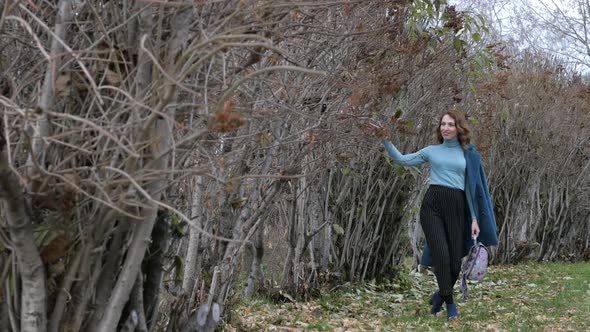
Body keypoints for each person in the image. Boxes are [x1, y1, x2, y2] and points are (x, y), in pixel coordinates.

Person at [381, 110, 498, 320]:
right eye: (443, 124)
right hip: (432, 206)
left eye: (450, 124)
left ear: (458, 128)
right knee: (441, 257)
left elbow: (471, 190)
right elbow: (401, 160)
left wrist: (473, 218)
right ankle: (450, 303)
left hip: (457, 208)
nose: (445, 128)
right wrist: (385, 138)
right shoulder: (431, 151)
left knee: (454, 263)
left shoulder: (468, 155)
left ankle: (440, 296)